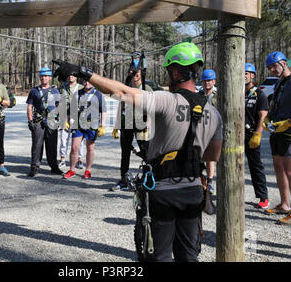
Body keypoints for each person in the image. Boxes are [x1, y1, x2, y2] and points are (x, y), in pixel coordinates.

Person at [53, 41, 223, 262]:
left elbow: (122, 92)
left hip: (163, 191)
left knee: (158, 255)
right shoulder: (213, 112)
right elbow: (212, 156)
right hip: (192, 190)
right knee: (189, 256)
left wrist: (84, 73)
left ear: (174, 71)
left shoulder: (166, 100)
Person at [263, 51, 291, 225]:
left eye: (275, 66)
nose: (273, 70)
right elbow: (274, 104)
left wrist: (290, 122)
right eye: (270, 68)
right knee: (278, 167)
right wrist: (268, 118)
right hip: (278, 130)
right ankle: (284, 204)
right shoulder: (279, 84)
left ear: (284, 63)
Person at [110, 58, 153, 191]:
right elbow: (121, 105)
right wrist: (117, 125)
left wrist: (149, 126)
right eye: (133, 72)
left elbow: (151, 109)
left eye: (137, 72)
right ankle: (123, 179)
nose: (135, 75)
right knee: (125, 153)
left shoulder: (147, 88)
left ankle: (148, 178)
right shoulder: (126, 87)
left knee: (146, 153)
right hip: (126, 123)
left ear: (141, 72)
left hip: (141, 125)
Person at [63, 78, 106, 180]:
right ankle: (72, 170)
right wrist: (66, 121)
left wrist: (102, 126)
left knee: (90, 148)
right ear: (82, 82)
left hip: (92, 125)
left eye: (89, 81)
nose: (87, 83)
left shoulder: (98, 95)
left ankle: (88, 170)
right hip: (78, 124)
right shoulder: (77, 94)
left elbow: (103, 111)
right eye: (85, 81)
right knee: (74, 147)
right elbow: (70, 110)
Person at [26, 67, 63, 177]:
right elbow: (29, 107)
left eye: (46, 76)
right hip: (38, 121)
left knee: (52, 145)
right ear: (39, 77)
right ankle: (34, 167)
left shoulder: (55, 90)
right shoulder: (34, 91)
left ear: (50, 78)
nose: (44, 78)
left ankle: (54, 167)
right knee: (37, 145)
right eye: (42, 76)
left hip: (52, 121)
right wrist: (30, 121)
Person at [244, 63, 270, 209]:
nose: (243, 76)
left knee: (255, 166)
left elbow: (263, 116)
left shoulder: (259, 94)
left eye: (246, 73)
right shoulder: (238, 92)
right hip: (236, 135)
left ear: (252, 75)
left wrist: (258, 134)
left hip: (251, 135)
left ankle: (263, 197)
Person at [58, 73, 84, 169]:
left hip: (77, 117)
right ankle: (62, 159)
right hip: (64, 116)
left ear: (76, 76)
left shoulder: (81, 87)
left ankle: (79, 159)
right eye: (68, 75)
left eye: (73, 75)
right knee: (63, 139)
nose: (70, 77)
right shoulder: (62, 88)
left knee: (79, 140)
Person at [199, 69, 218, 194]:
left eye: (209, 81)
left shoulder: (217, 96)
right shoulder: (198, 95)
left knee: (209, 158)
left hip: (212, 131)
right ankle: (201, 181)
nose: (207, 83)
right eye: (205, 81)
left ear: (214, 81)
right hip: (200, 131)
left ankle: (210, 182)